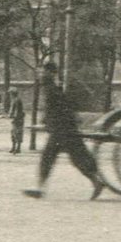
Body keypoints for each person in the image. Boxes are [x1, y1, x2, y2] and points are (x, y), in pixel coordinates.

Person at [23, 63, 104, 199]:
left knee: (54, 157)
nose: (40, 75)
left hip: (62, 131)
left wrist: (49, 122)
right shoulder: (52, 89)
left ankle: (41, 189)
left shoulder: (52, 90)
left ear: (50, 73)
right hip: (62, 129)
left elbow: (60, 109)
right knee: (74, 158)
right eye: (40, 73)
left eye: (43, 73)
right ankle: (96, 182)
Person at [7, 90, 26, 155]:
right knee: (13, 133)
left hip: (17, 119)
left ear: (13, 94)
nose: (10, 95)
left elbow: (17, 111)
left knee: (17, 133)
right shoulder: (15, 100)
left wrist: (13, 117)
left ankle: (18, 148)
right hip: (17, 119)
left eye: (10, 93)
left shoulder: (16, 100)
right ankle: (14, 147)